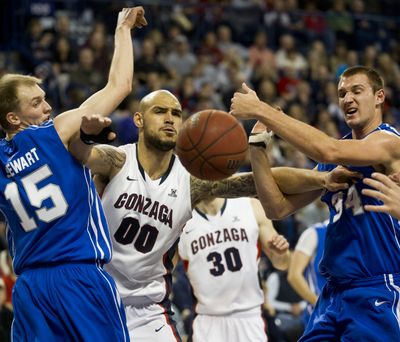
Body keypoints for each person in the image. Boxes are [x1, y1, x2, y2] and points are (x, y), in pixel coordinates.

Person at [79, 89, 357, 341]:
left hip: (148, 311)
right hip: (96, 298)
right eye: (160, 111)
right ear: (138, 119)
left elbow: (259, 181)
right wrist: (84, 134)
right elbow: (78, 152)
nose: (170, 119)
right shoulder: (114, 162)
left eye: (176, 113)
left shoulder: (190, 182)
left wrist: (321, 178)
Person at [0, 7, 147, 341]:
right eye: (36, 103)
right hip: (79, 276)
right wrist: (122, 29)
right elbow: (120, 85)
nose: (47, 108)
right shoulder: (58, 131)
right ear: (13, 118)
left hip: (30, 290)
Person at [230, 65, 400, 340]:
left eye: (357, 91)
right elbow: (277, 208)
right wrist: (258, 147)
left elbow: (327, 148)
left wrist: (262, 109)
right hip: (333, 294)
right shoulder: (334, 161)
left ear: (379, 97)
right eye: (342, 93)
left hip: (377, 289)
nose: (347, 99)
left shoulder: (388, 141)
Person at [178, 196, 290, 342]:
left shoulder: (251, 206)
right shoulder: (180, 221)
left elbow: (282, 263)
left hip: (249, 316)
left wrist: (281, 253)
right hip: (207, 320)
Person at [287, 221, 327, 325]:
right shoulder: (314, 233)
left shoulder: (360, 233)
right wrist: (320, 304)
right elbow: (294, 275)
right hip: (320, 315)